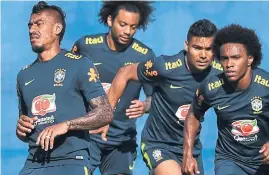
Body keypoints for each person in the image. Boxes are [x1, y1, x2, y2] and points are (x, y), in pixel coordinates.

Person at [183, 24, 269, 175]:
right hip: (229, 160)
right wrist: (187, 154)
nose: (229, 64)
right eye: (224, 59)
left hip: (265, 164)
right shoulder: (210, 87)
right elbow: (193, 115)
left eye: (236, 58)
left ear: (250, 59)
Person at [107, 19, 222, 175]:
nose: (203, 55)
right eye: (197, 48)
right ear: (186, 46)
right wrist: (105, 114)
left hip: (191, 148)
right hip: (158, 144)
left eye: (208, 49)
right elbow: (124, 73)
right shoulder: (165, 67)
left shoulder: (220, 73)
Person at [16, 1, 113, 175]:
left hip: (71, 161)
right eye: (30, 25)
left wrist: (67, 125)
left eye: (39, 24)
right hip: (33, 163)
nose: (31, 30)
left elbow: (105, 112)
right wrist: (21, 130)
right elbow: (25, 130)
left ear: (57, 29)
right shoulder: (23, 75)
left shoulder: (80, 64)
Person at [72, 1, 155, 174]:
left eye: (133, 27)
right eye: (122, 24)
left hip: (121, 141)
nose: (127, 31)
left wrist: (145, 106)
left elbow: (154, 98)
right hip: (87, 137)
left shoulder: (145, 56)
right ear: (110, 20)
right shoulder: (85, 46)